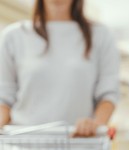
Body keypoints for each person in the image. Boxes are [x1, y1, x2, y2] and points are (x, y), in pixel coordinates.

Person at [0, 0, 120, 137]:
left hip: (81, 147)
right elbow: (4, 97)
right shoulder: (14, 36)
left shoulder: (100, 35)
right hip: (23, 148)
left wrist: (95, 125)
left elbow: (108, 94)